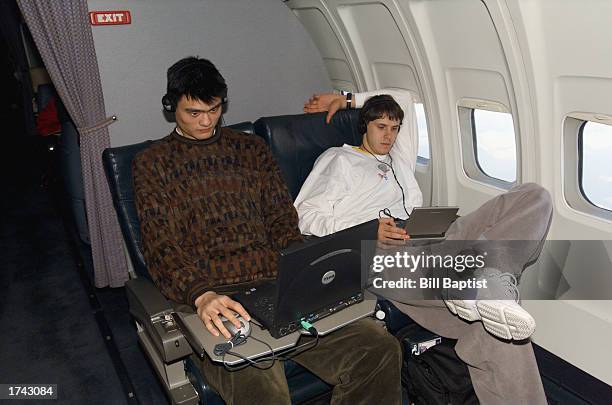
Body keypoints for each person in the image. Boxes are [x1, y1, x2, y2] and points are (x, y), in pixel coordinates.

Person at [132, 57, 402, 405]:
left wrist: (302, 271)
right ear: (171, 107)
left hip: (277, 286)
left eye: (213, 110)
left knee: (378, 350)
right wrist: (201, 295)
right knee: (262, 388)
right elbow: (160, 246)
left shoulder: (251, 150)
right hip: (214, 296)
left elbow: (281, 219)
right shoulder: (152, 163)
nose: (205, 121)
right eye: (192, 112)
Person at [294, 89, 552, 404]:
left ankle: (487, 279)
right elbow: (306, 217)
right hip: (379, 249)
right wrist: (368, 230)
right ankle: (476, 283)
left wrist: (348, 99)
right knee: (496, 329)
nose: (389, 136)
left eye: (394, 128)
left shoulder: (399, 158)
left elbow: (402, 98)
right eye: (380, 127)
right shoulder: (338, 159)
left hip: (432, 237)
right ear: (364, 126)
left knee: (534, 196)